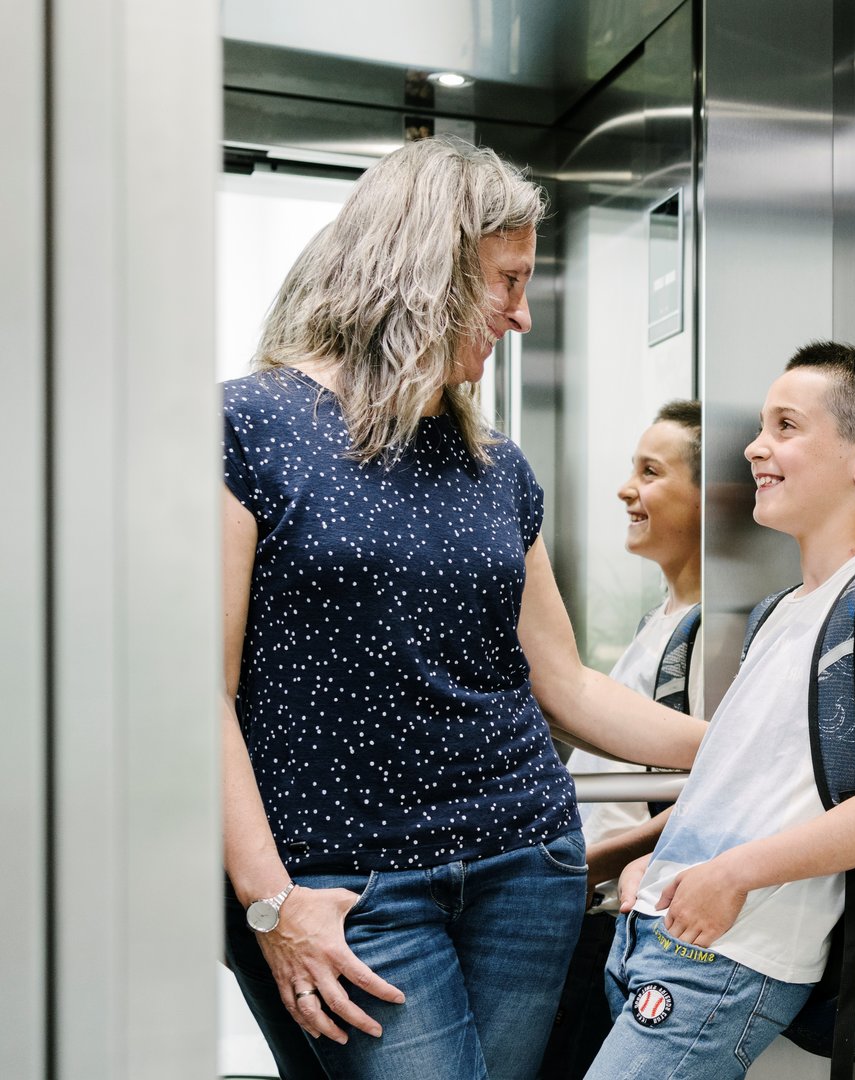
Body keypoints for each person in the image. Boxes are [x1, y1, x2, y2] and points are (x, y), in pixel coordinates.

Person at [220, 135, 708, 1080]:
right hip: (346, 888)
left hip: (525, 867)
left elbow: (561, 682)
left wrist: (740, 747)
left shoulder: (496, 466)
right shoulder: (245, 428)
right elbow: (204, 693)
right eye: (507, 281)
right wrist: (268, 902)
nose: (522, 315)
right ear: (427, 270)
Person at [583, 342, 855, 1080]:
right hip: (665, 930)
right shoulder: (780, 611)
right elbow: (739, 785)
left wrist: (732, 875)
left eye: (786, 426)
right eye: (761, 425)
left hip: (731, 952)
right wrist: (658, 859)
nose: (756, 447)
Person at [541, 400, 706, 1080]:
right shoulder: (660, 620)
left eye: (651, 471)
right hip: (589, 903)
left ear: (708, 499)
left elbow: (712, 790)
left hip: (613, 913)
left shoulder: (709, 635)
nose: (625, 489)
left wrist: (594, 863)